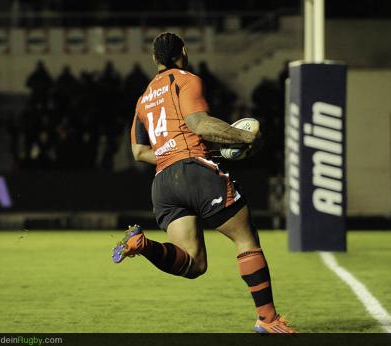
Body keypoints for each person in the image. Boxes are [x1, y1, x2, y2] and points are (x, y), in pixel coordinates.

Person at [112, 32, 295, 334]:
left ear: (154, 59)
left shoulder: (143, 99)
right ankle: (268, 319)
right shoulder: (186, 79)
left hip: (163, 185)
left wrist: (172, 152)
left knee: (194, 264)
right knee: (246, 241)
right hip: (195, 172)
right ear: (183, 52)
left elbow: (139, 152)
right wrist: (245, 137)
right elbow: (199, 123)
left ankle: (143, 246)